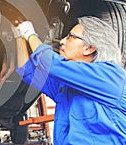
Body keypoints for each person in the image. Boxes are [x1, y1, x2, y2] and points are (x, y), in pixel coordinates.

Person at [13, 16, 126, 144]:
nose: (62, 41)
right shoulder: (68, 86)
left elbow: (48, 61)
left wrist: (30, 34)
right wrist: (19, 35)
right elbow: (27, 71)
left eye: (70, 37)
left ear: (89, 48)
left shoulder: (111, 76)